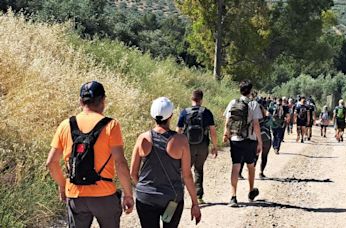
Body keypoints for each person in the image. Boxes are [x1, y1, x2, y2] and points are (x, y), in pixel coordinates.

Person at [46, 81, 134, 228]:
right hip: (104, 195)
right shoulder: (111, 125)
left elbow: (51, 163)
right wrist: (128, 194)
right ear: (103, 101)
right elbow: (120, 163)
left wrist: (63, 186)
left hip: (76, 195)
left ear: (81, 101)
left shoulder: (65, 125)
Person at [130, 97, 201, 228]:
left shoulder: (142, 138)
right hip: (172, 198)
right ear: (171, 116)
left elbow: (133, 173)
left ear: (152, 116)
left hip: (146, 198)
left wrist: (145, 189)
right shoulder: (181, 140)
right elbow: (187, 176)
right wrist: (195, 203)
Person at [223, 80, 262, 207]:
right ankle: (251, 191)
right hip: (250, 140)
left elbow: (228, 120)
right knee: (251, 166)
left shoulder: (233, 102)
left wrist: (226, 134)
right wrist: (259, 142)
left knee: (236, 167)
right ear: (250, 91)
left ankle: (233, 197)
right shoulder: (253, 104)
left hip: (235, 139)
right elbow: (256, 124)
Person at [176, 89, 218, 204]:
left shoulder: (185, 112)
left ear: (192, 99)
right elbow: (213, 132)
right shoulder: (207, 112)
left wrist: (177, 147)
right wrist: (215, 146)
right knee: (199, 169)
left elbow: (178, 131)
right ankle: (199, 197)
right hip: (203, 145)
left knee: (184, 171)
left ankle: (178, 196)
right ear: (201, 99)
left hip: (187, 146)